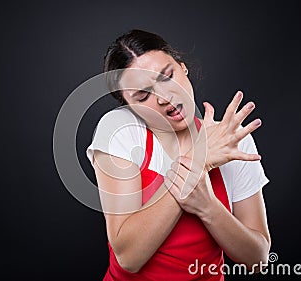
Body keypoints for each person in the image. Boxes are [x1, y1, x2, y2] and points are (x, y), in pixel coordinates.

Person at [86, 29, 271, 280]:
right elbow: (129, 258)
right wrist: (199, 160)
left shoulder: (230, 139)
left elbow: (258, 258)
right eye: (143, 95)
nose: (164, 98)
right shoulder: (120, 131)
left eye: (167, 76)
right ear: (129, 107)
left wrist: (208, 209)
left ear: (183, 68)